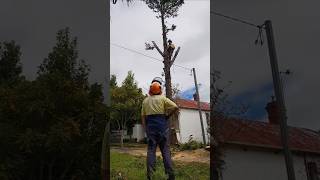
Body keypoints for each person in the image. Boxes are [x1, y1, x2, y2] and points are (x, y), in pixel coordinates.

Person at [141, 79, 179, 180]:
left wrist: (146, 130)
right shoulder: (163, 99)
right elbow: (175, 107)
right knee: (165, 151)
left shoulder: (145, 101)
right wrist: (167, 116)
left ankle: (151, 176)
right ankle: (170, 177)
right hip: (162, 128)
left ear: (150, 90)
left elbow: (143, 118)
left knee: (151, 151)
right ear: (160, 90)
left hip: (151, 129)